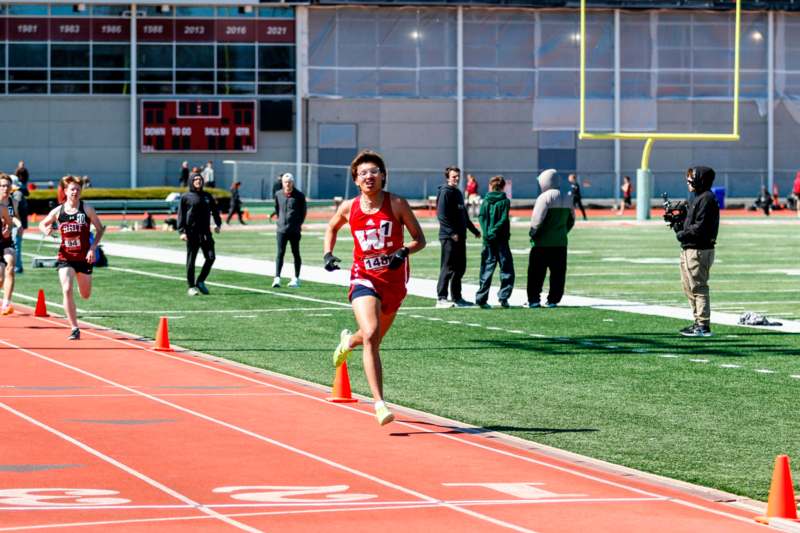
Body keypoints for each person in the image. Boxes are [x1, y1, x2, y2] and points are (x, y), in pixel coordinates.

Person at [323, 150, 426, 426]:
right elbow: (331, 227)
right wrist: (328, 254)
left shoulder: (397, 204)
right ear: (356, 180)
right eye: (363, 173)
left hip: (394, 282)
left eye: (374, 172)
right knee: (371, 334)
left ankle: (347, 342)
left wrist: (403, 252)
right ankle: (379, 403)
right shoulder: (349, 207)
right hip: (363, 276)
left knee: (373, 338)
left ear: (383, 176)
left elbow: (420, 240)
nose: (369, 176)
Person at [38, 176, 105, 340]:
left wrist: (92, 248)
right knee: (66, 289)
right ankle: (74, 327)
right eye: (72, 189)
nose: (75, 192)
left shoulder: (87, 209)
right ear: (66, 192)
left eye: (78, 189)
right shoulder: (58, 211)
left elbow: (100, 229)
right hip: (65, 257)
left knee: (85, 295)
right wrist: (45, 230)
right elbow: (42, 223)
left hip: (84, 257)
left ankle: (81, 283)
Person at [672, 166, 719, 337]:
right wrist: (678, 222)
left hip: (698, 250)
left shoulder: (706, 198)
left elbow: (700, 227)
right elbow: (693, 223)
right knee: (689, 287)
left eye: (691, 178)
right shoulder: (699, 197)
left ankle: (703, 324)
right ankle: (697, 321)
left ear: (700, 179)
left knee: (698, 287)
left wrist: (682, 233)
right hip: (691, 248)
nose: (688, 182)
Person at [527, 169, 576, 308]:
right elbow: (572, 220)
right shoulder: (567, 196)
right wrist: (563, 232)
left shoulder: (544, 197)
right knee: (558, 274)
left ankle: (534, 300)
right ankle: (553, 300)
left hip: (542, 243)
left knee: (536, 273)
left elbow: (537, 220)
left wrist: (533, 233)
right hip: (560, 243)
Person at [435, 166, 480, 308]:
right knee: (447, 267)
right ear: (448, 177)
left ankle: (457, 298)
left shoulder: (458, 193)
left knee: (460, 268)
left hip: (461, 237)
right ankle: (441, 298)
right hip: (449, 238)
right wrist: (451, 233)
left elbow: (464, 216)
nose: (457, 179)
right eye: (454, 176)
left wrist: (474, 231)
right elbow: (441, 215)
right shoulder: (445, 192)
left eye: (458, 176)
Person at [177, 173, 222, 296]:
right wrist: (181, 231)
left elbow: (215, 212)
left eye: (200, 179)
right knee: (191, 261)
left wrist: (218, 224)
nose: (198, 181)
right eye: (195, 179)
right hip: (192, 233)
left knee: (211, 257)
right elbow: (181, 215)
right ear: (191, 181)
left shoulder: (207, 196)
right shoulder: (186, 197)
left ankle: (201, 281)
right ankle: (191, 287)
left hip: (206, 233)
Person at [475, 175, 514, 309]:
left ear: (491, 186)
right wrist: (494, 231)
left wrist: (486, 232)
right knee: (506, 269)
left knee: (486, 269)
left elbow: (481, 217)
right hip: (501, 240)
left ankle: (481, 299)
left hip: (488, 241)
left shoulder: (485, 201)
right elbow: (503, 219)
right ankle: (503, 297)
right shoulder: (505, 201)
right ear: (503, 187)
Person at [270, 173, 306, 288]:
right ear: (282, 183)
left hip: (294, 230)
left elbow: (303, 212)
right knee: (280, 253)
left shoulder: (299, 195)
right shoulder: (278, 194)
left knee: (296, 253)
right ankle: (277, 278)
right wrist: (279, 222)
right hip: (281, 230)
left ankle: (296, 278)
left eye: (289, 182)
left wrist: (297, 224)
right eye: (285, 182)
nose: (287, 184)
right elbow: (277, 208)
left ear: (293, 182)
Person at [0, 175, 17, 314]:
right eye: (2, 185)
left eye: (7, 186)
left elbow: (11, 221)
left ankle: (6, 304)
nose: (5, 188)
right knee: (0, 279)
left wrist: (9, 228)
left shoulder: (12, 203)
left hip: (5, 241)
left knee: (10, 265)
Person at [10, 175, 28, 273]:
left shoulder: (16, 194)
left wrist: (19, 225)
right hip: (16, 223)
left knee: (16, 245)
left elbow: (16, 212)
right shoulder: (17, 193)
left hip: (16, 224)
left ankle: (17, 266)